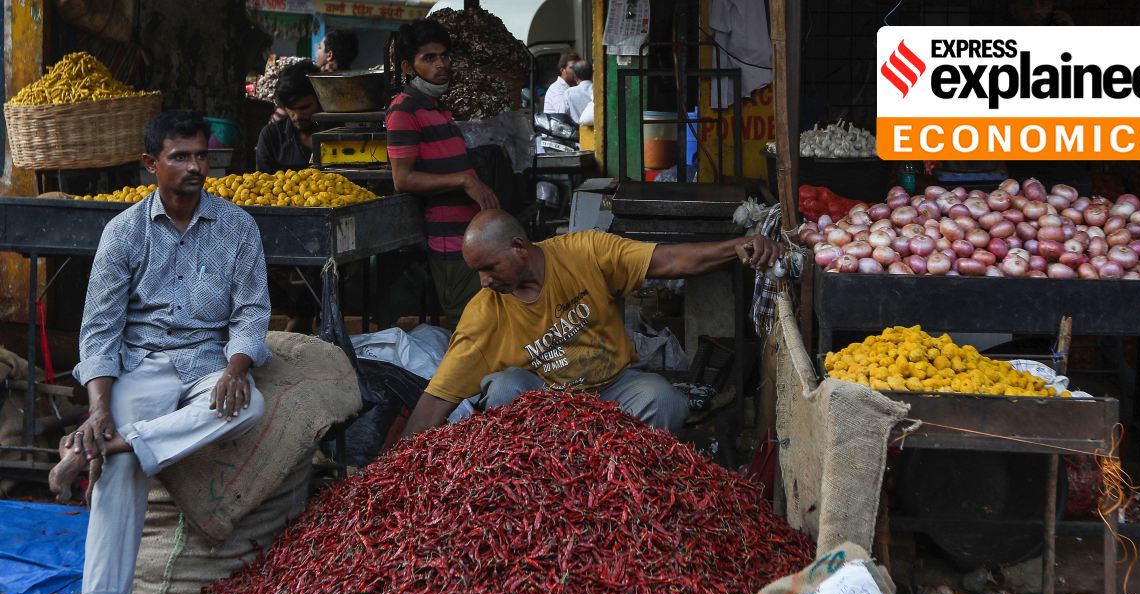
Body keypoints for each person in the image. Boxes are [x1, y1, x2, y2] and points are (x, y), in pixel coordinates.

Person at [51, 110, 271, 594]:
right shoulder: (123, 232)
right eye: (181, 156)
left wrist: (237, 368)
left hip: (206, 364)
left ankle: (119, 443)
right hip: (141, 364)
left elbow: (251, 314)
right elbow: (99, 329)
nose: (196, 166)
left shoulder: (237, 226)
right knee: (118, 473)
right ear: (151, 164)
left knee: (252, 408)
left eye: (202, 156)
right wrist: (99, 406)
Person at [401, 210, 783, 437]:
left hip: (612, 390)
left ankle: (632, 482)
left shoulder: (584, 252)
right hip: (545, 406)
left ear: (519, 247)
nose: (484, 280)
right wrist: (394, 470)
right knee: (503, 388)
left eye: (489, 267)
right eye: (477, 271)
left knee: (665, 398)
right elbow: (436, 401)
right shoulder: (484, 314)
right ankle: (536, 482)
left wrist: (736, 247)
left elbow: (668, 261)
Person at [387, 19, 500, 326]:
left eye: (444, 55)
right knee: (468, 324)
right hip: (451, 244)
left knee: (487, 322)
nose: (442, 64)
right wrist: (464, 181)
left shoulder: (437, 108)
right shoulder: (404, 111)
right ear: (409, 67)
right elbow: (403, 179)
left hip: (473, 237)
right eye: (430, 58)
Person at [255, 60, 321, 172]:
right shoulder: (271, 137)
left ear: (320, 99)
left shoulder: (339, 133)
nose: (297, 116)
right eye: (291, 108)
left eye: (305, 107)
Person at [542, 51, 580, 115]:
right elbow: (563, 112)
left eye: (578, 67)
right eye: (572, 67)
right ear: (562, 70)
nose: (576, 70)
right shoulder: (556, 88)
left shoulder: (575, 86)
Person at [565, 59, 593, 124]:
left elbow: (564, 114)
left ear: (575, 76)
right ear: (592, 74)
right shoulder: (598, 91)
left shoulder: (569, 93)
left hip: (578, 131)